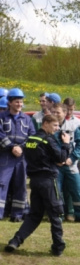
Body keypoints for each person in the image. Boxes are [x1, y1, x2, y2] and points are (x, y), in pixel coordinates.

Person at [5, 114, 71, 256]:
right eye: (54, 125)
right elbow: (61, 158)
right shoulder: (48, 140)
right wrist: (66, 143)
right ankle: (58, 247)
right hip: (48, 180)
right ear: (45, 123)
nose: (57, 128)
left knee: (34, 215)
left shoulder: (31, 139)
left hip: (35, 181)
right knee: (56, 214)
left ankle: (15, 241)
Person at [0, 88, 35, 222]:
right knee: (2, 184)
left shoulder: (27, 119)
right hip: (5, 156)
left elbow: (32, 136)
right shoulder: (2, 117)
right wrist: (11, 146)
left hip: (21, 157)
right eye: (16, 102)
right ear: (9, 103)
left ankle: (18, 214)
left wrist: (21, 148)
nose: (19, 104)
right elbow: (0, 134)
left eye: (21, 102)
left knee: (21, 184)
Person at [54, 97, 80, 223]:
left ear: (64, 112)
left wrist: (72, 158)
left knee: (77, 191)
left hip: (71, 165)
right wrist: (55, 160)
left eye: (58, 112)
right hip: (56, 166)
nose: (56, 115)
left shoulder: (74, 125)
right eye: (54, 112)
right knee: (57, 192)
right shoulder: (49, 126)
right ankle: (59, 216)